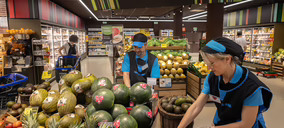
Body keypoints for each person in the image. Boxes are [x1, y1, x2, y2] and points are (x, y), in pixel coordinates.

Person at [178, 37, 272, 128]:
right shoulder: (212, 78)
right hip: (222, 121)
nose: (209, 68)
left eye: (212, 63)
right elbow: (196, 107)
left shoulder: (251, 87)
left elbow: (246, 124)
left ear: (228, 59)